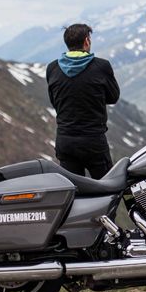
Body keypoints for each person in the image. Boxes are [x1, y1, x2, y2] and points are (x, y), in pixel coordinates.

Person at [46, 23, 120, 178]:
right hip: (93, 141)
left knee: (75, 192)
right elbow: (113, 97)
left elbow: (55, 101)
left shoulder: (52, 68)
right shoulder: (101, 66)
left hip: (65, 140)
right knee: (109, 188)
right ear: (87, 41)